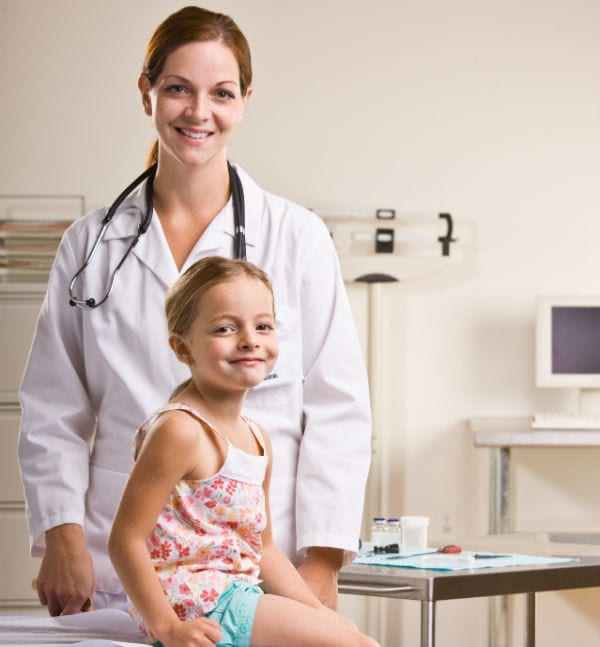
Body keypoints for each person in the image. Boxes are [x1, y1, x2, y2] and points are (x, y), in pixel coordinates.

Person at [18, 5, 371, 617]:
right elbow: (54, 408)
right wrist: (61, 534)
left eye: (221, 93)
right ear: (146, 91)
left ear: (245, 100)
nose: (198, 112)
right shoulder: (90, 244)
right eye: (178, 88)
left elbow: (339, 411)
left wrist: (323, 559)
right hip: (119, 555)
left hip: (258, 558)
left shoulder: (296, 236)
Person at [108, 256, 377, 647]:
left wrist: (320, 613)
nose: (250, 339)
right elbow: (125, 540)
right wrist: (167, 627)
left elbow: (262, 548)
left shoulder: (256, 438)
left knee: (349, 635)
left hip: (234, 594)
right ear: (183, 349)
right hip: (196, 605)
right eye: (225, 328)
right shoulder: (181, 429)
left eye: (263, 326)